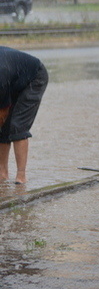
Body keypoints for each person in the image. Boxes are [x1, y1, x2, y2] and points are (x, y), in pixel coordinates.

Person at [0, 47, 49, 185]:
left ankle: (21, 176)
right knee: (4, 129)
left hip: (35, 77)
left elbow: (2, 113)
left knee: (17, 125)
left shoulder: (1, 75)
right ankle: (2, 174)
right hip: (15, 79)